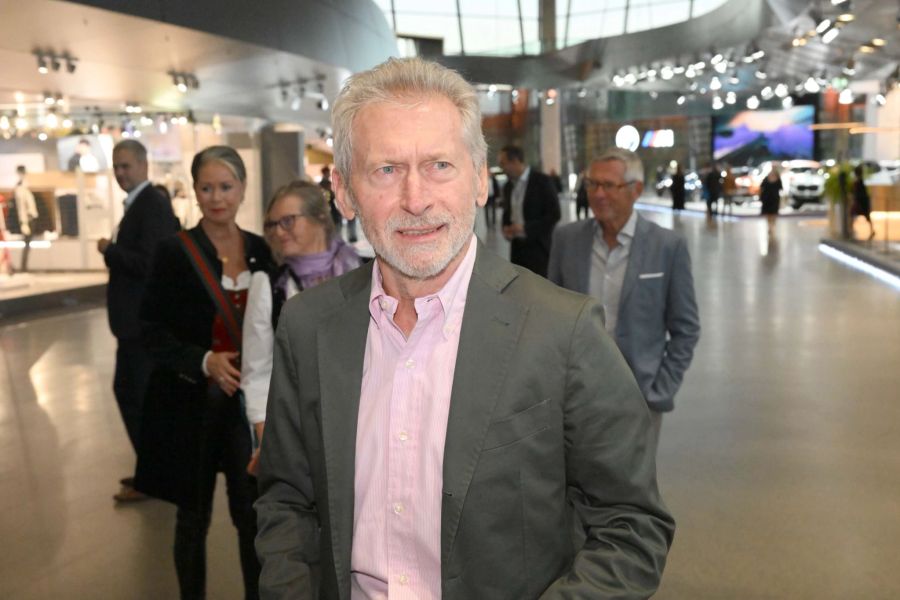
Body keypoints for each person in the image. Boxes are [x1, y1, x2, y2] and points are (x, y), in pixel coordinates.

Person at [256, 57, 673, 600]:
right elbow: (287, 500)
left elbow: (632, 524)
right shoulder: (308, 326)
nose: (415, 199)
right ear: (343, 191)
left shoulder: (562, 330)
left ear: (479, 179)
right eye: (385, 169)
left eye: (439, 166)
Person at [134, 145, 273, 600]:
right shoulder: (174, 252)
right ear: (194, 191)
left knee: (249, 512)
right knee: (192, 516)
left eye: (226, 187)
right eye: (206, 187)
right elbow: (150, 329)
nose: (217, 197)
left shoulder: (260, 249)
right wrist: (202, 359)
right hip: (188, 403)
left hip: (243, 408)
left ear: (243, 189)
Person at [548, 148, 701, 450]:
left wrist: (659, 391)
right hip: (575, 398)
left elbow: (686, 328)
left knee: (632, 491)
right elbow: (549, 319)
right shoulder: (566, 240)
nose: (598, 194)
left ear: (636, 190)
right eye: (592, 184)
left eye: (609, 185)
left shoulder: (667, 247)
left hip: (639, 398)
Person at [241, 180, 361, 475]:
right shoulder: (268, 285)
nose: (279, 231)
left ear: (320, 217)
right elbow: (257, 371)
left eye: (288, 221)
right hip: (298, 431)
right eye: (272, 225)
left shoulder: (364, 272)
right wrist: (267, 440)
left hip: (367, 424)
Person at [96, 141, 179, 502]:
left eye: (126, 165)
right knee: (134, 395)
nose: (120, 173)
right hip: (134, 325)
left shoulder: (151, 206)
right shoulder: (141, 205)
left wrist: (109, 251)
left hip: (141, 325)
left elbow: (149, 264)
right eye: (116, 167)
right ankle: (152, 473)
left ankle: (154, 477)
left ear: (144, 165)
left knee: (136, 396)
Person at [498, 145, 560, 277]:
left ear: (515, 161)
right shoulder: (508, 187)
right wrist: (506, 227)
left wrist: (525, 228)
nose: (502, 168)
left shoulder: (542, 181)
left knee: (539, 291)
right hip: (517, 249)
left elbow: (554, 214)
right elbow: (507, 211)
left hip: (539, 248)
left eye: (503, 164)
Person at [13, 165, 39, 273]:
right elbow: (21, 208)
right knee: (27, 243)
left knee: (27, 244)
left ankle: (24, 267)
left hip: (31, 218)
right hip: (28, 219)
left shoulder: (26, 186)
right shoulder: (20, 188)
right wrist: (24, 222)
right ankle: (24, 267)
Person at [852, 164, 875, 240]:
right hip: (862, 202)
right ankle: (852, 230)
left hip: (861, 202)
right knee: (865, 217)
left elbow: (858, 193)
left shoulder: (859, 182)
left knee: (854, 215)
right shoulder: (860, 181)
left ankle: (852, 231)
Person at [759, 165, 782, 237]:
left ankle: (771, 226)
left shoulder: (777, 178)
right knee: (770, 214)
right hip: (768, 198)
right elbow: (761, 186)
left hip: (773, 198)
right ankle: (770, 226)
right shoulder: (767, 178)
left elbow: (781, 187)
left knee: (773, 214)